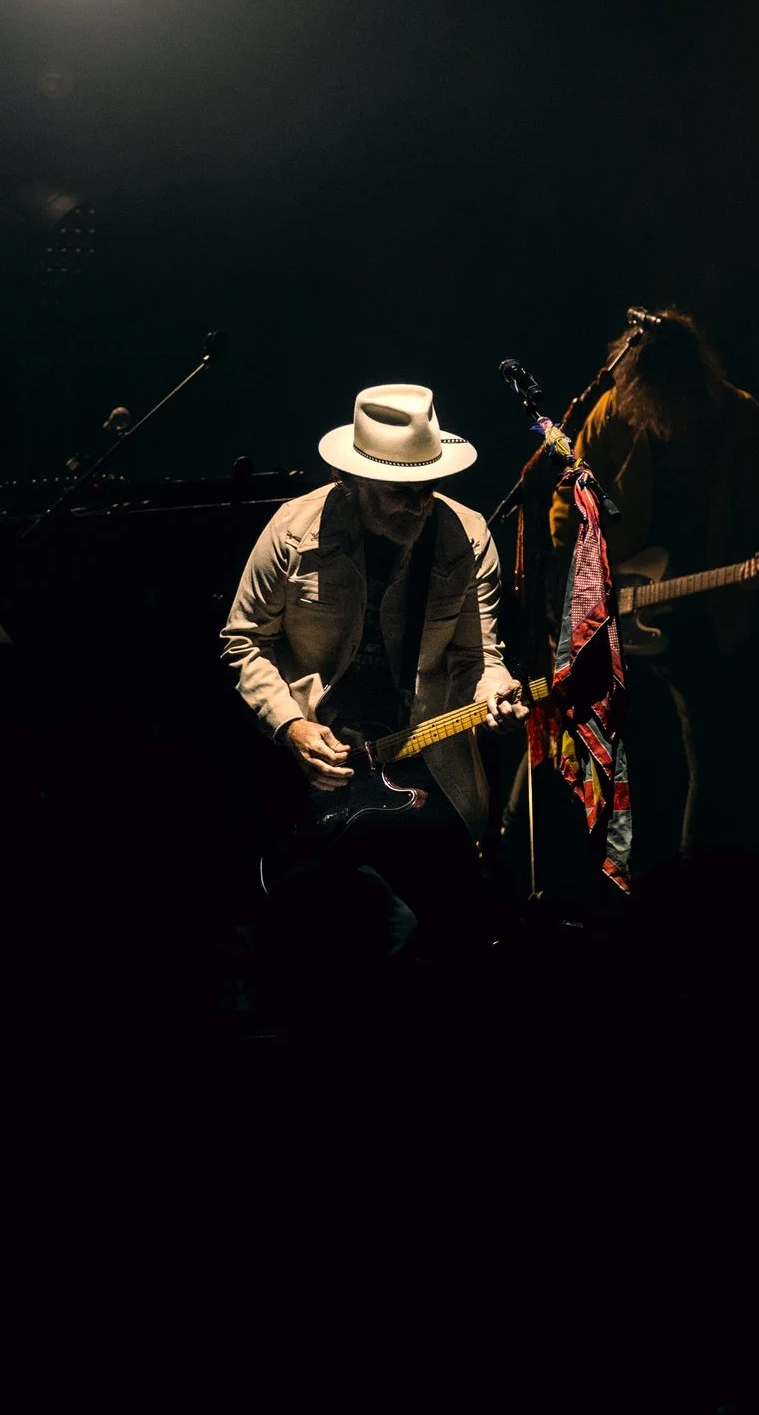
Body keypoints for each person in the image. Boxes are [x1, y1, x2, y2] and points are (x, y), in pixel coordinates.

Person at [222, 383, 527, 1036]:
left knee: (441, 953)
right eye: (402, 492)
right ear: (351, 479)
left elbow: (481, 657)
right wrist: (291, 723)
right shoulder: (293, 531)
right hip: (315, 778)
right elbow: (243, 638)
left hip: (424, 766)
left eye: (428, 488)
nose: (420, 506)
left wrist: (494, 688)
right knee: (326, 955)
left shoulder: (467, 537)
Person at [547, 312, 759, 874]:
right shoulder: (614, 410)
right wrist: (584, 578)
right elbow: (569, 501)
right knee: (600, 741)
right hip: (624, 605)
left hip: (706, 607)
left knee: (713, 749)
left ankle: (699, 875)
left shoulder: (746, 421)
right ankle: (601, 872)